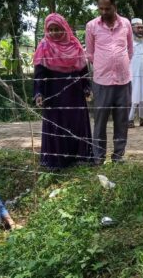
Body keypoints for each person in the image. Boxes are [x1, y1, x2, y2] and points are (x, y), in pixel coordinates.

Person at [33, 13, 93, 169]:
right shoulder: (44, 47)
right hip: (53, 93)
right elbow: (39, 73)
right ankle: (57, 161)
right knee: (56, 125)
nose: (54, 32)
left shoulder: (75, 45)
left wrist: (87, 87)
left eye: (57, 29)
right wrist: (39, 93)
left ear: (64, 28)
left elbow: (83, 70)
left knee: (77, 123)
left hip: (74, 92)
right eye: (50, 29)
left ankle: (79, 158)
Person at [86, 0, 133, 164]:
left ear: (115, 7)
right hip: (101, 82)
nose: (104, 12)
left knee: (122, 121)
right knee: (100, 122)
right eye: (101, 9)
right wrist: (103, 65)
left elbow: (130, 50)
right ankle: (99, 158)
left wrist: (119, 64)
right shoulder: (92, 26)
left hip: (123, 81)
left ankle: (118, 157)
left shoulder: (126, 24)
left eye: (108, 8)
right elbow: (90, 53)